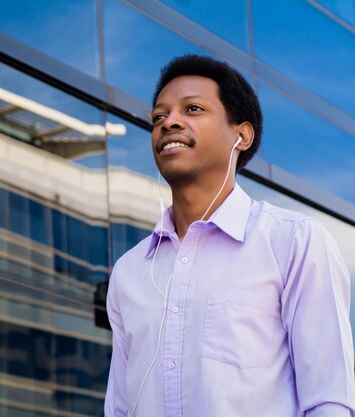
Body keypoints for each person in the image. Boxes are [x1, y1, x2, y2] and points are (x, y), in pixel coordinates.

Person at [104, 55, 355, 417]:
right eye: (159, 116)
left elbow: (329, 399)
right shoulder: (130, 272)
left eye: (192, 109)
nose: (169, 122)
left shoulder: (293, 242)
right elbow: (119, 408)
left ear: (241, 135)